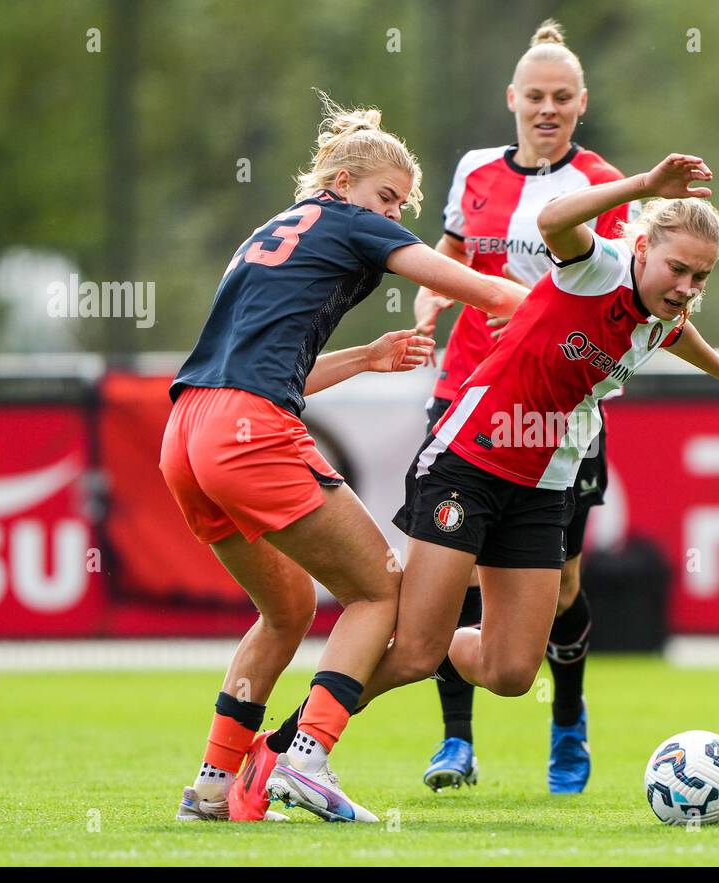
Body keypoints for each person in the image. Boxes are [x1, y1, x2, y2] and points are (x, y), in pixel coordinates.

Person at [162, 93, 527, 824]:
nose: (392, 216)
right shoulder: (350, 222)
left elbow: (267, 364)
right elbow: (477, 288)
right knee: (377, 591)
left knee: (288, 608)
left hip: (186, 433)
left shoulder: (269, 232)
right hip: (248, 430)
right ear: (340, 186)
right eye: (386, 198)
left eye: (401, 205)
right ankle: (307, 757)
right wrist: (566, 305)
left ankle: (211, 783)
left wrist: (367, 355)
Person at [348, 153, 719, 733]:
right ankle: (298, 739)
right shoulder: (600, 266)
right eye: (678, 269)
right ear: (641, 249)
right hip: (473, 456)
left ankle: (430, 648)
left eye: (701, 277)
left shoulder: (663, 309)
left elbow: (675, 331)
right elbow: (553, 220)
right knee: (413, 649)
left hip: (543, 482)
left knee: (510, 673)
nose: (687, 287)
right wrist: (643, 186)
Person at [412, 18, 632, 793]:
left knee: (561, 585)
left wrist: (538, 313)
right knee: (454, 572)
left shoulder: (601, 184)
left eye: (561, 97)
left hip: (555, 414)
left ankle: (567, 716)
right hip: (465, 393)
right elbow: (451, 255)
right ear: (512, 99)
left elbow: (611, 290)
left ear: (582, 103)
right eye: (534, 96)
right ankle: (455, 741)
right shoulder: (474, 170)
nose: (547, 108)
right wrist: (429, 301)